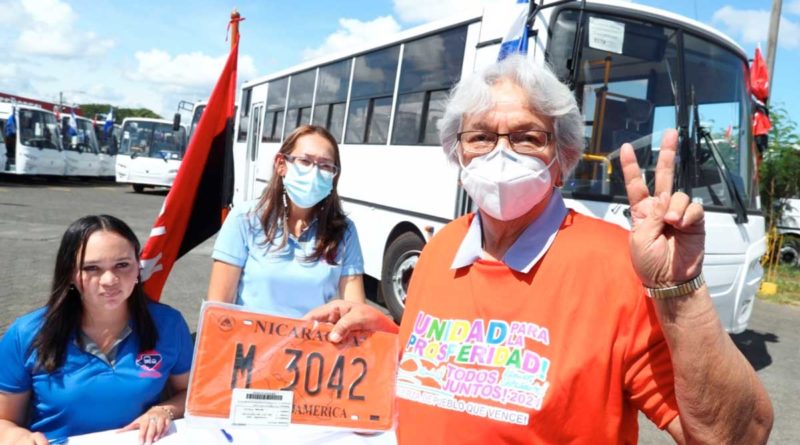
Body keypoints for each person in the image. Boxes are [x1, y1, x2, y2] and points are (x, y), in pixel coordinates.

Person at [306, 56, 774, 444]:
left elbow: (739, 435)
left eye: (528, 137)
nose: (500, 153)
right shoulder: (442, 248)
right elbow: (446, 369)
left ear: (562, 161)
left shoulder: (619, 268)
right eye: (481, 137)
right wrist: (388, 335)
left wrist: (681, 292)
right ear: (459, 155)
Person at [0, 215, 193, 445]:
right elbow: (4, 420)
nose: (110, 280)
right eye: (92, 268)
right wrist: (18, 437)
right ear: (71, 274)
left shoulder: (168, 324)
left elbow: (190, 396)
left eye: (122, 265)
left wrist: (164, 411)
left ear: (138, 268)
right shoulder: (27, 333)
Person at [207, 124, 366, 317]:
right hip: (249, 345)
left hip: (313, 345)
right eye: (305, 161)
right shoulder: (244, 219)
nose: (314, 173)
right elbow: (218, 309)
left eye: (325, 165)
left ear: (334, 175)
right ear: (281, 164)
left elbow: (355, 312)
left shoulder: (345, 232)